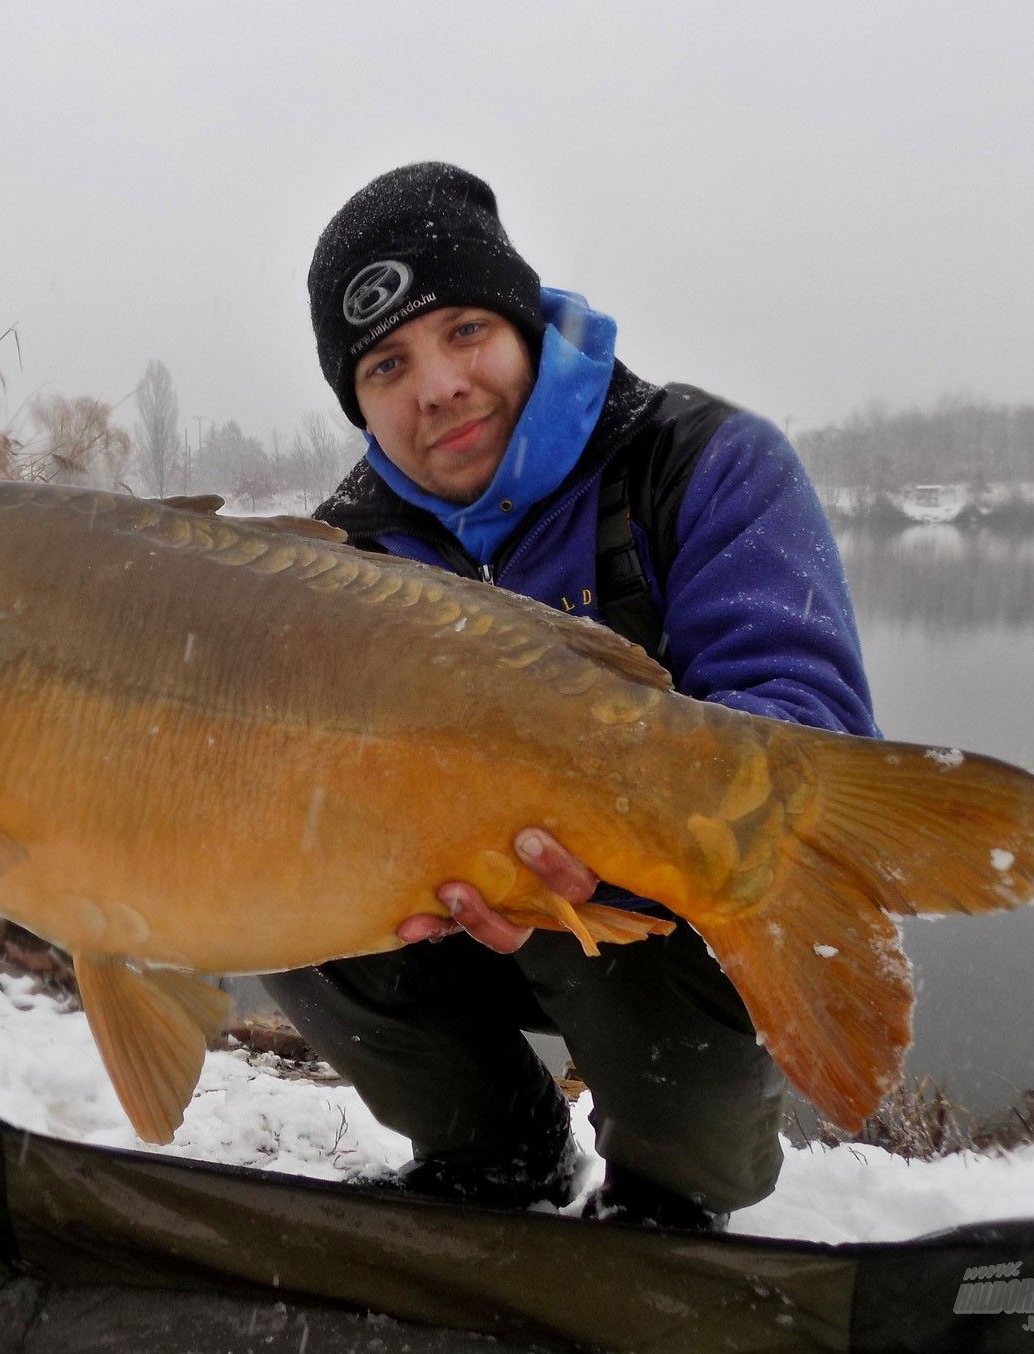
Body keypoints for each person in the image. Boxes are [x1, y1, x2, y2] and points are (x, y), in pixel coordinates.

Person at [257, 161, 879, 1230]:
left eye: (461, 332)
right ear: (357, 403)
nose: (436, 386)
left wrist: (600, 844)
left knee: (611, 917)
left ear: (523, 325)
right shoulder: (342, 558)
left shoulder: (702, 461)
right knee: (275, 884)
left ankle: (667, 1191)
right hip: (435, 912)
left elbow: (803, 724)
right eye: (385, 366)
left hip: (653, 922)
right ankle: (497, 1152)